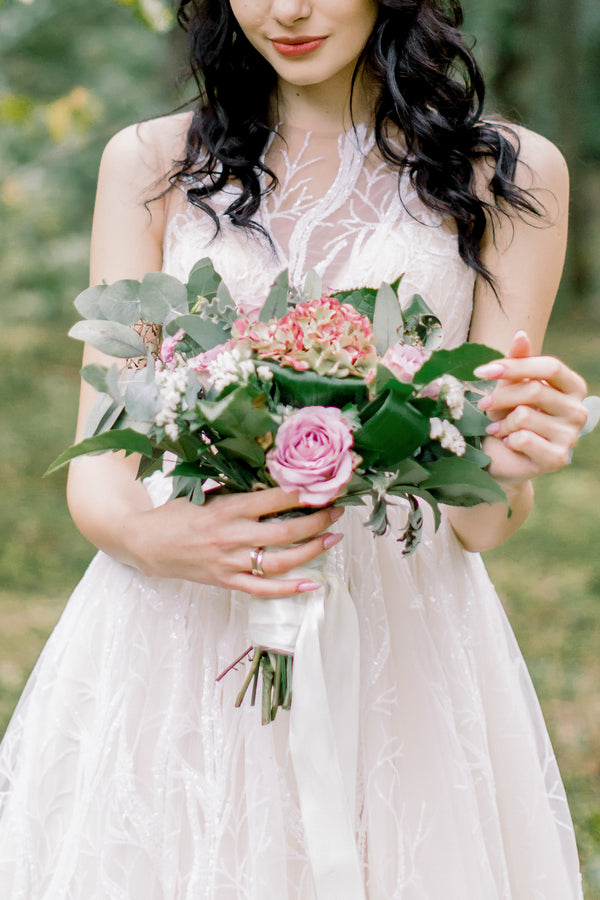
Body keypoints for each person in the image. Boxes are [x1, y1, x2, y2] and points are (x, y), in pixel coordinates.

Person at [0, 0, 590, 897]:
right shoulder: (153, 165)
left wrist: (506, 464)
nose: (287, 10)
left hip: (403, 629)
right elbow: (101, 467)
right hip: (179, 622)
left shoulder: (503, 176)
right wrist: (165, 541)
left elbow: (488, 523)